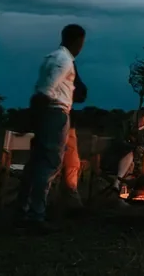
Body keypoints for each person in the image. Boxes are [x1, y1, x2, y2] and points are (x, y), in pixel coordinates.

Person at [16, 24, 86, 230]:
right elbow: (45, 92)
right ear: (77, 41)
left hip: (48, 113)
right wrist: (33, 118)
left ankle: (24, 211)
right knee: (49, 164)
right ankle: (36, 216)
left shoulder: (52, 57)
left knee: (36, 164)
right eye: (82, 43)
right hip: (54, 114)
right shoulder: (62, 60)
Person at [57, 71, 89, 210]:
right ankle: (71, 201)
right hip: (58, 120)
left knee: (73, 163)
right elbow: (81, 93)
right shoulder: (62, 64)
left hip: (66, 120)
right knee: (58, 163)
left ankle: (70, 198)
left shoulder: (65, 64)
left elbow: (81, 93)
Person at [102, 108, 144, 196]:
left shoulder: (141, 132)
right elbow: (119, 143)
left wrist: (139, 132)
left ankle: (121, 192)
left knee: (131, 165)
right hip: (114, 159)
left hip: (129, 163)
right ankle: (118, 186)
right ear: (138, 117)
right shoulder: (123, 125)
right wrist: (134, 146)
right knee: (130, 157)